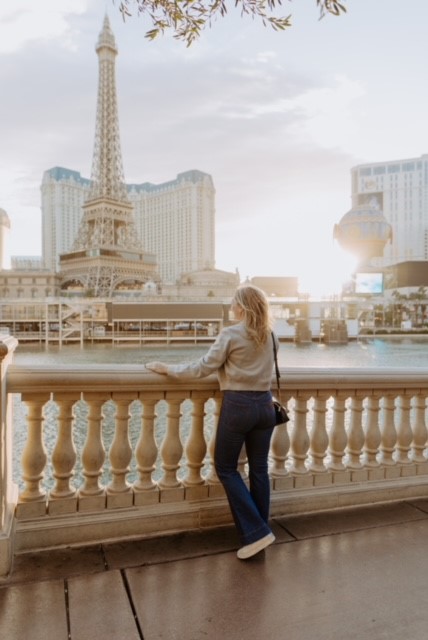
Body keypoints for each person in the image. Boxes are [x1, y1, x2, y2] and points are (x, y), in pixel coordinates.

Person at [145, 284, 278, 560]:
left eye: (233, 303)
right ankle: (260, 532)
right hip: (265, 407)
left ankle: (256, 533)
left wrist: (168, 369)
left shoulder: (231, 334)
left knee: (226, 467)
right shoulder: (272, 336)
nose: (231, 307)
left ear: (242, 306)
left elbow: (202, 367)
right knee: (259, 470)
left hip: (239, 406)